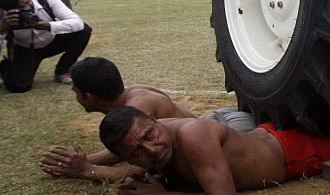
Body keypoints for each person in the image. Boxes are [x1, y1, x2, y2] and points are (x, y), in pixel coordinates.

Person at [98, 87, 330, 194]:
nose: (152, 150)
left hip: (292, 155)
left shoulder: (192, 135)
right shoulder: (159, 135)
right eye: (137, 153)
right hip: (266, 136)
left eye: (149, 136)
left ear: (154, 121)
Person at [39, 56, 255, 182]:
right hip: (217, 121)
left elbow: (141, 171)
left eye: (75, 92)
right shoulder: (133, 92)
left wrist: (86, 169)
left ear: (89, 97)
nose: (75, 97)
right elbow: (118, 153)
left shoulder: (137, 108)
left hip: (231, 129)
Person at [0, 0, 91, 92]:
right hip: (25, 48)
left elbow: (78, 23)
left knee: (84, 31)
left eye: (24, 5)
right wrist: (2, 28)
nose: (23, 11)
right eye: (16, 10)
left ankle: (62, 71)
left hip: (52, 40)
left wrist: (49, 26)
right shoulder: (2, 14)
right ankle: (7, 65)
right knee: (18, 87)